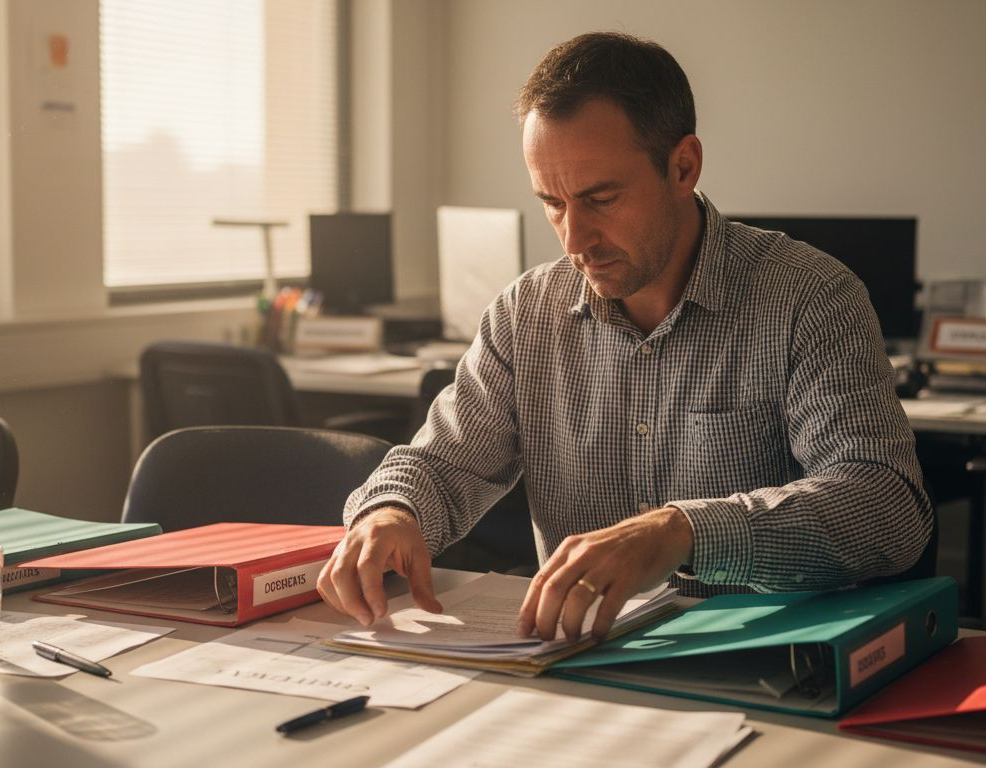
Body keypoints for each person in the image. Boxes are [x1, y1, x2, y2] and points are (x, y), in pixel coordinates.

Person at [317, 31, 930, 644]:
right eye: (552, 203)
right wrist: (390, 510)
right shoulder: (525, 312)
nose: (573, 238)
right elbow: (445, 464)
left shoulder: (807, 297)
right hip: (577, 660)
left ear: (683, 166)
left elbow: (885, 508)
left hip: (761, 665)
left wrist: (681, 532)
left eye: (601, 198)